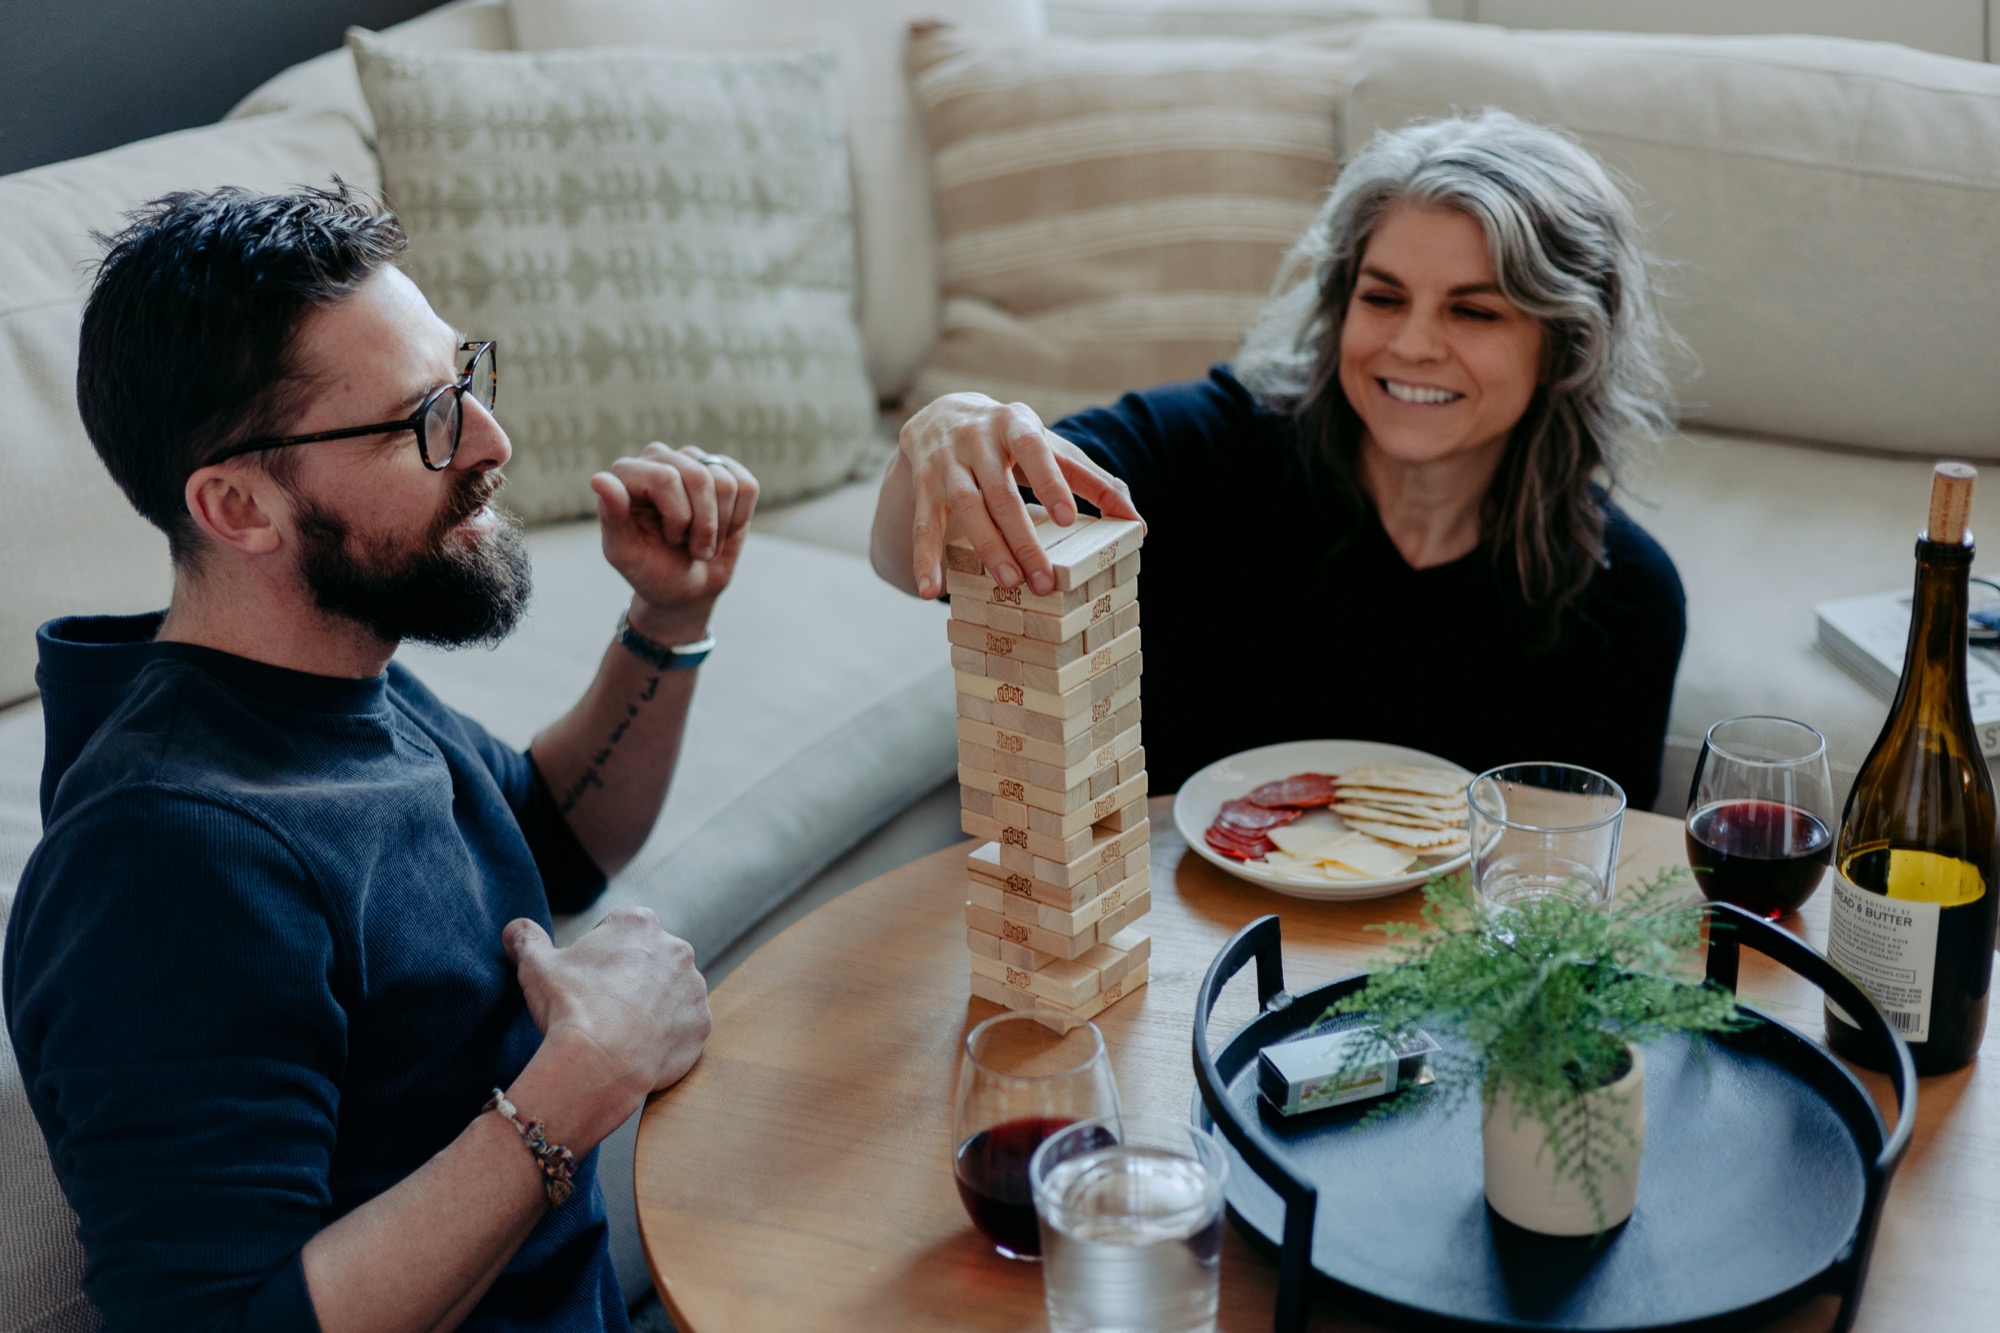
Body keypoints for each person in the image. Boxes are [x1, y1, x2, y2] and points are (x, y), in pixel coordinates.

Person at [4, 184, 760, 1331]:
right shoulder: (165, 861)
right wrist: (580, 1082)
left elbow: (545, 841)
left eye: (467, 380)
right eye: (425, 421)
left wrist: (666, 619)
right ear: (240, 508)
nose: (492, 442)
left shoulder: (331, 674)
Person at [872, 110, 1687, 807]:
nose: (1411, 345)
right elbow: (930, 563)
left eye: (1473, 311)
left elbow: (1573, 897)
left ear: (1566, 346)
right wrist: (945, 434)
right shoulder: (1202, 453)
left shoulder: (1625, 601)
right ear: (1339, 306)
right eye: (1383, 296)